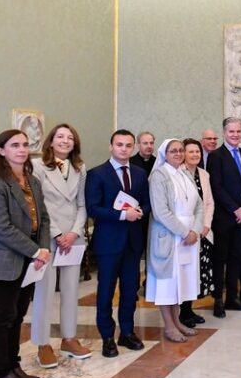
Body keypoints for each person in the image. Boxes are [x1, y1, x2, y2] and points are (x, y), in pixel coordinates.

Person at [0, 130, 51, 378]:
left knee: (18, 315)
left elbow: (43, 218)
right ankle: (0, 376)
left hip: (30, 259)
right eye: (14, 145)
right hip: (5, 260)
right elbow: (1, 227)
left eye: (24, 144)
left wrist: (43, 247)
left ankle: (13, 366)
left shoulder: (32, 180)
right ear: (1, 150)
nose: (21, 149)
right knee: (2, 318)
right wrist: (36, 250)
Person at [86, 130, 151, 357]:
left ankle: (127, 332)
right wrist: (124, 215)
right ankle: (107, 337)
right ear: (110, 146)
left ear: (133, 148)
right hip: (108, 242)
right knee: (105, 291)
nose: (124, 149)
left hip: (133, 242)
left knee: (129, 290)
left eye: (128, 145)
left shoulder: (140, 174)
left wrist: (141, 210)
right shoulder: (97, 174)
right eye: (119, 144)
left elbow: (147, 202)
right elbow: (93, 208)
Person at [30, 124, 90, 369]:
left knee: (70, 291)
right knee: (44, 292)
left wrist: (74, 232)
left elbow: (82, 205)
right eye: (60, 137)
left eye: (70, 138)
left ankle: (69, 338)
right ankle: (43, 343)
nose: (65, 141)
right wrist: (57, 234)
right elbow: (38, 204)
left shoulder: (79, 167)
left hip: (72, 239)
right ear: (51, 141)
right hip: (48, 237)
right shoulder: (37, 166)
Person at [146, 139, 203, 342]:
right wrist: (184, 232)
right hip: (170, 237)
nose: (178, 154)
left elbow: (199, 205)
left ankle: (177, 320)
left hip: (189, 238)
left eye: (180, 150)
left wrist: (195, 230)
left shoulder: (185, 173)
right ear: (165, 154)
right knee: (167, 283)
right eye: (173, 151)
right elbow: (161, 211)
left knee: (181, 282)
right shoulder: (159, 176)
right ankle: (169, 326)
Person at [207, 117, 241, 317]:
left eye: (238, 131)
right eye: (231, 132)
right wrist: (235, 209)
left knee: (237, 257)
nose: (235, 135)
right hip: (224, 218)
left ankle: (232, 298)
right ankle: (218, 299)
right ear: (224, 133)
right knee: (220, 259)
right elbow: (216, 187)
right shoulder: (216, 156)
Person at [179, 138, 212, 328]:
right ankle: (182, 312)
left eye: (197, 152)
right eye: (190, 152)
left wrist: (205, 225)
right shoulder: (178, 174)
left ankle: (189, 309)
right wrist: (191, 229)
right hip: (185, 233)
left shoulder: (204, 174)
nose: (194, 155)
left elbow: (209, 203)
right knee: (184, 272)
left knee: (196, 272)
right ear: (184, 153)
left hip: (202, 232)